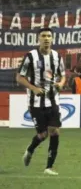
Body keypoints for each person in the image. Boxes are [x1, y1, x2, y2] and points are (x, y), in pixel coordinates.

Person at [18, 28, 66, 176]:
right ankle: (30, 150)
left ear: (52, 39)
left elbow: (63, 75)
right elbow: (20, 77)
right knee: (43, 134)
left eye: (49, 36)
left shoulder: (57, 57)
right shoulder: (31, 56)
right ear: (38, 39)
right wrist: (33, 88)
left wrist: (61, 84)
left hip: (53, 101)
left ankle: (49, 167)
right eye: (43, 36)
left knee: (55, 131)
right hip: (36, 103)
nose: (46, 38)